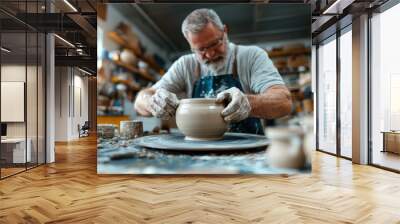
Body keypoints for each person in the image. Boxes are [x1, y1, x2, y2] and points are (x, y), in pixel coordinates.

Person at [134, 8, 292, 135]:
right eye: (201, 49)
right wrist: (153, 102)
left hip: (248, 150)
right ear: (190, 47)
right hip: (199, 150)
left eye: (215, 43)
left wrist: (249, 103)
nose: (210, 54)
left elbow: (284, 102)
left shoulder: (251, 56)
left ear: (225, 31)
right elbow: (140, 101)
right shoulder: (185, 64)